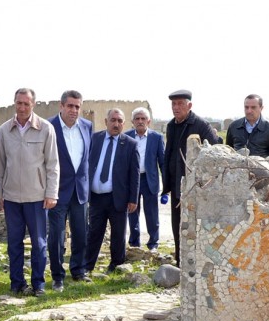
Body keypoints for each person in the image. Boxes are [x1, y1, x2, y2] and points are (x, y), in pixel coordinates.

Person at [0, 88, 59, 296]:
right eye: (19, 103)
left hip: (37, 197)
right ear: (14, 103)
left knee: (39, 242)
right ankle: (17, 283)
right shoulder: (5, 130)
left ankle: (38, 284)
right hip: (12, 198)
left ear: (33, 105)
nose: (22, 107)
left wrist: (51, 193)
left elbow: (52, 164)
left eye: (26, 104)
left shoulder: (46, 128)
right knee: (14, 242)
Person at [162, 90, 221, 266]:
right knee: (177, 224)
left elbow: (214, 153)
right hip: (176, 185)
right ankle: (180, 260)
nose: (176, 107)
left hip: (194, 186)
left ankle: (198, 261)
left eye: (180, 104)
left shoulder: (201, 125)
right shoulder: (171, 125)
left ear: (189, 105)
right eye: (173, 104)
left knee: (194, 225)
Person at [84, 108, 139, 273]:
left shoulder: (130, 144)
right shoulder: (95, 139)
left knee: (118, 234)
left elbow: (134, 174)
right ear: (106, 121)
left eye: (119, 121)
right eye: (113, 120)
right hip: (96, 197)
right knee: (94, 233)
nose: (116, 124)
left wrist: (133, 199)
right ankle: (87, 266)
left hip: (118, 198)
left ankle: (116, 265)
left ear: (124, 124)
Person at [47, 90, 92, 291]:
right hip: (57, 191)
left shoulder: (87, 126)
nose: (74, 110)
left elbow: (87, 159)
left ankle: (78, 270)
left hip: (80, 190)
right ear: (61, 106)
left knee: (81, 233)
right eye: (70, 106)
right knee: (56, 236)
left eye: (77, 106)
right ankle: (57, 276)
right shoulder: (49, 127)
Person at [125, 107, 166, 250]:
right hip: (132, 181)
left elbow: (162, 162)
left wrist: (166, 187)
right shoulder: (126, 137)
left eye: (143, 119)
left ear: (148, 121)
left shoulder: (157, 137)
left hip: (149, 181)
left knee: (152, 214)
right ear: (132, 121)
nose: (140, 121)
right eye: (137, 118)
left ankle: (153, 243)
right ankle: (134, 243)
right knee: (132, 212)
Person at [224, 94, 269, 160]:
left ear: (261, 108)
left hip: (261, 169)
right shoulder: (233, 127)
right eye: (246, 107)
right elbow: (228, 150)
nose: (249, 111)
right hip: (237, 169)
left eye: (253, 107)